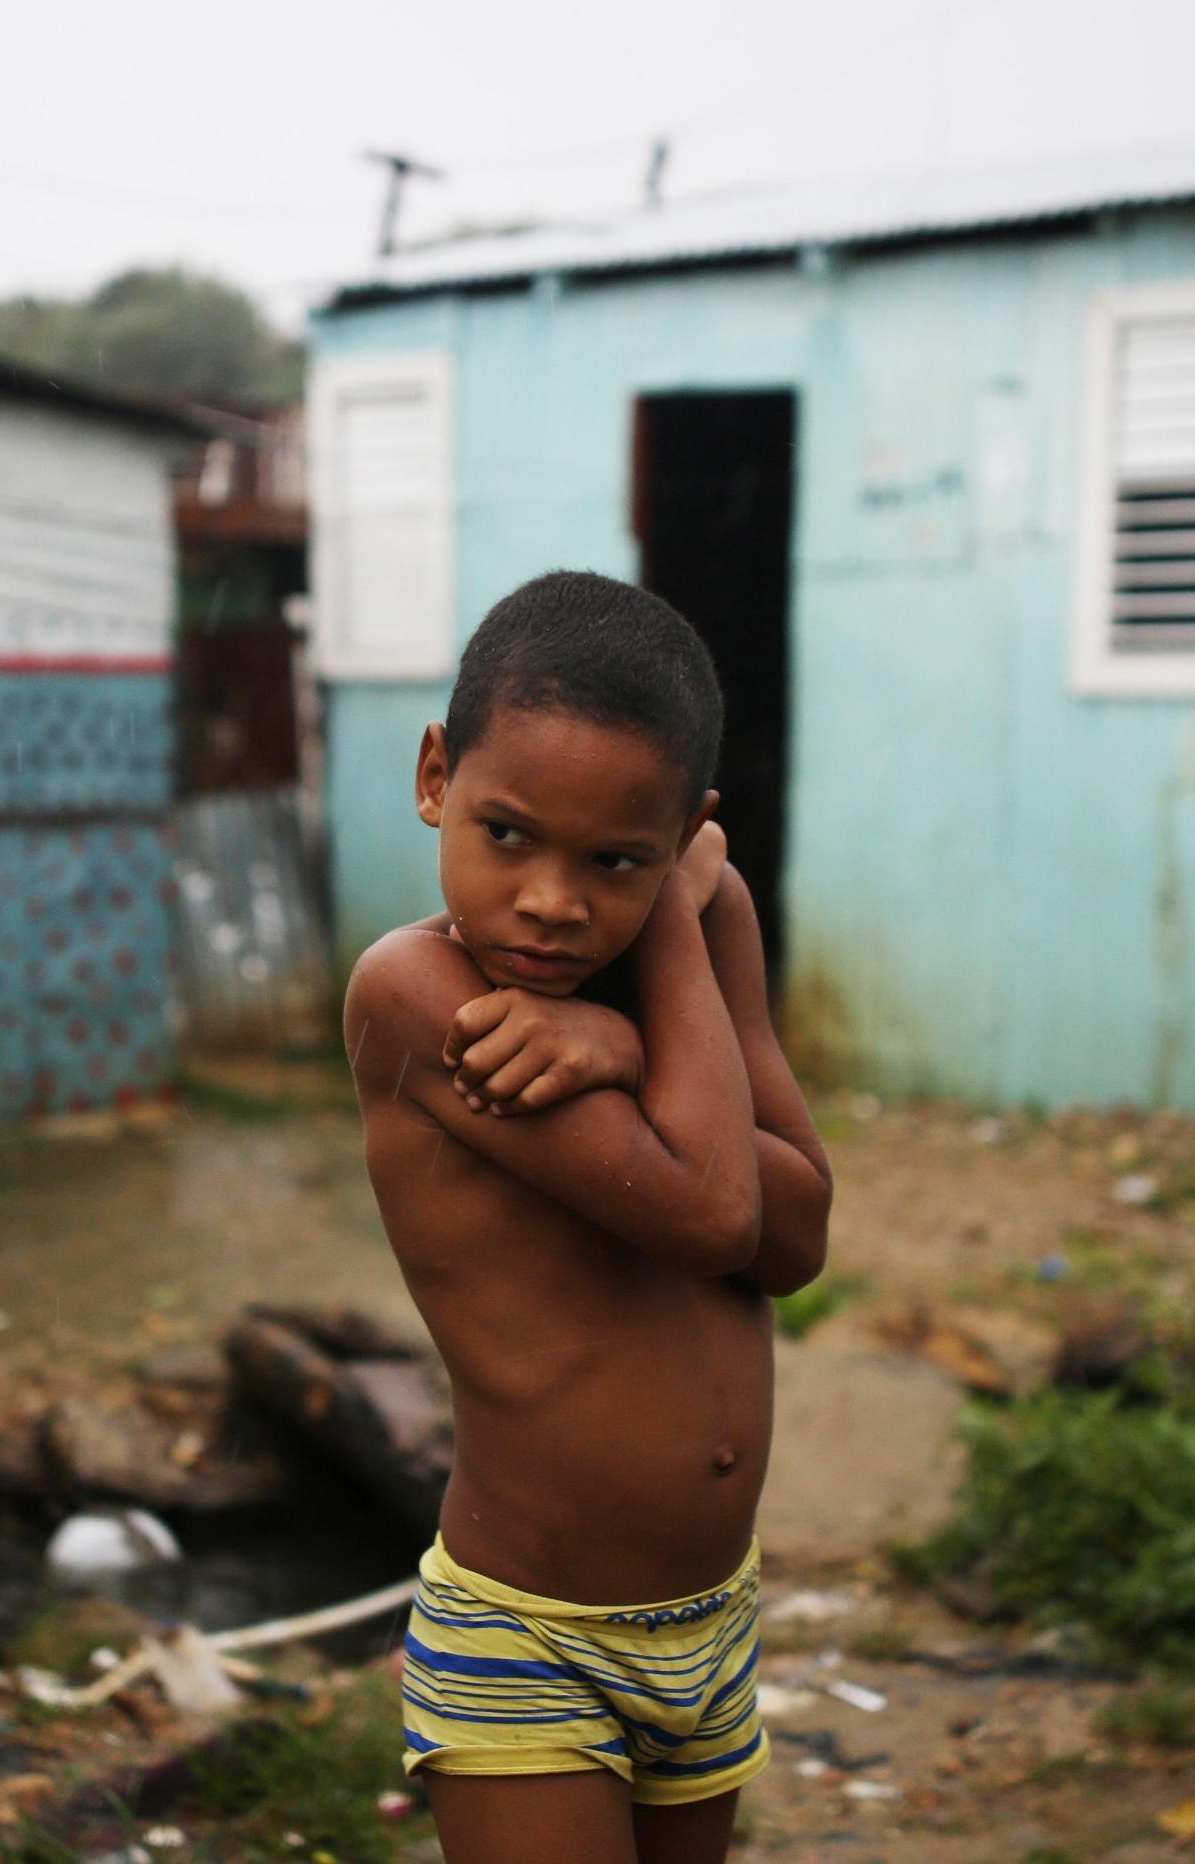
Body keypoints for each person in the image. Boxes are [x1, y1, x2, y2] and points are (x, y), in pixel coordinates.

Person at [341, 569, 834, 1864]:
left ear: (685, 833)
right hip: (531, 1638)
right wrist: (671, 921)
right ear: (436, 776)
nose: (554, 902)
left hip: (709, 1625)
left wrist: (629, 1029)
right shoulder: (417, 993)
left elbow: (796, 1235)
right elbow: (716, 1212)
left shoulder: (701, 924)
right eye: (508, 834)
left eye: (617, 860)